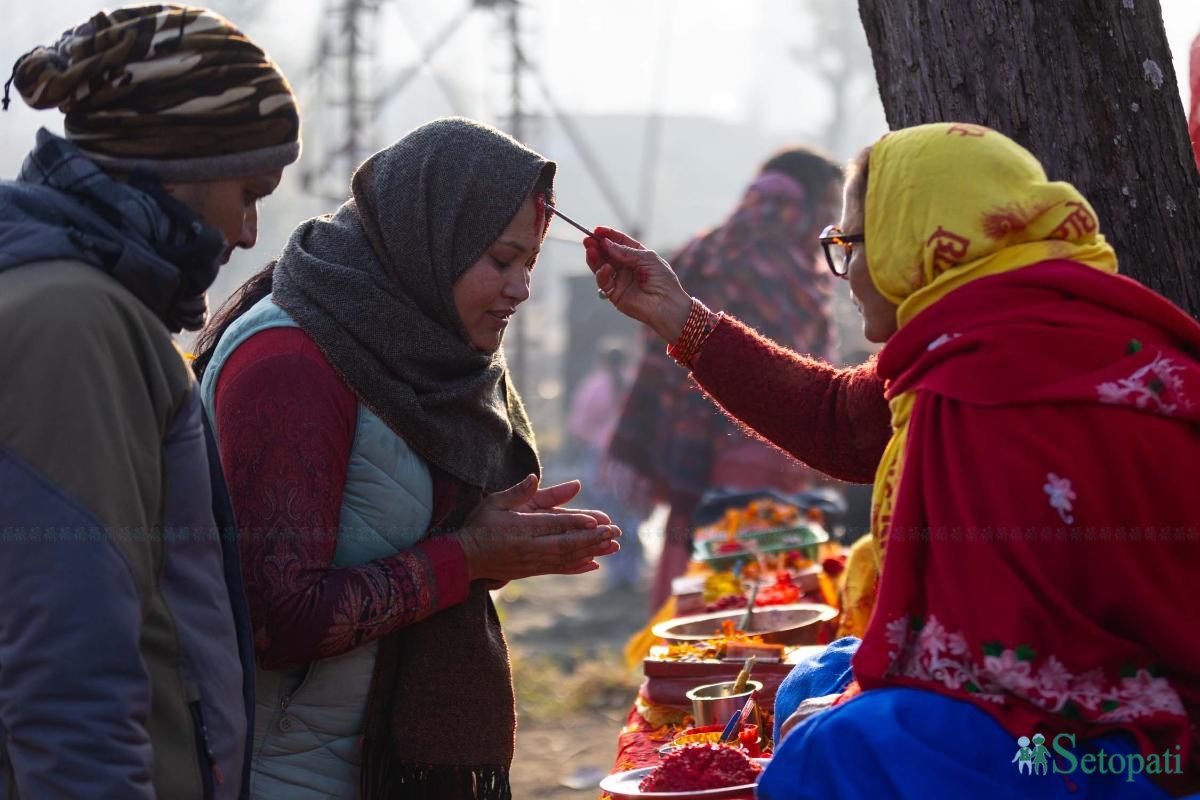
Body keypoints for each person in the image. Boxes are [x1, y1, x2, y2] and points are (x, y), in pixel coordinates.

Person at [585, 123, 1200, 796]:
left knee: (829, 749)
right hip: (1069, 692)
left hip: (1113, 737)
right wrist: (680, 316)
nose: (841, 269)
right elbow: (839, 419)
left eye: (850, 243)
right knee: (813, 682)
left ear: (916, 239)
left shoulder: (992, 380)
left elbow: (1024, 669)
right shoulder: (974, 345)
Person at [192, 117, 621, 799]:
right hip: (286, 770)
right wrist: (471, 557)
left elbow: (399, 534)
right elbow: (275, 617)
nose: (520, 290)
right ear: (430, 242)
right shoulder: (290, 361)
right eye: (501, 261)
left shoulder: (428, 354)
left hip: (366, 761)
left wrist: (505, 544)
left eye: (530, 266)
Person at [0, 6, 299, 798]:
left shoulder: (91, 307)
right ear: (176, 163)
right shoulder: (71, 324)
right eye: (247, 189)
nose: (247, 229)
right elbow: (70, 662)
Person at [607, 147, 843, 608]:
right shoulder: (785, 265)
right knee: (758, 597)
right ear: (803, 204)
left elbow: (661, 355)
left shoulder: (701, 249)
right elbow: (796, 375)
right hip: (762, 456)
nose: (830, 227)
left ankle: (688, 669)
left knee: (698, 590)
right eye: (829, 210)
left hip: (689, 450)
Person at [567, 346, 645, 586]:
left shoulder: (593, 386)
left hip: (601, 457)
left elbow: (578, 426)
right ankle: (632, 571)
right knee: (631, 514)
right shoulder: (636, 383)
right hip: (632, 458)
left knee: (608, 515)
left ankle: (616, 572)